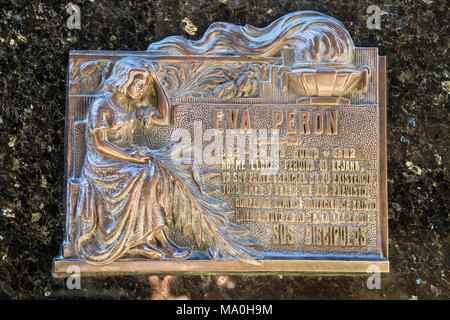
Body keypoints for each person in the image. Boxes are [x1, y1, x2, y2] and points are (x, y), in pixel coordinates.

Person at [75, 57, 190, 265]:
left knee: (154, 172)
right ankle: (152, 240)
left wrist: (155, 80)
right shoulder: (102, 105)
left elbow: (165, 117)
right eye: (139, 85)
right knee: (141, 174)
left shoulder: (133, 107)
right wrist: (131, 157)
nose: (142, 90)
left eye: (145, 87)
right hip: (101, 164)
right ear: (125, 80)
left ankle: (149, 239)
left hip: (125, 160)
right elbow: (100, 145)